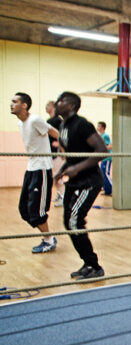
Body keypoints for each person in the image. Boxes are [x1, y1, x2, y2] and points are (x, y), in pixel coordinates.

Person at [54, 91, 108, 279]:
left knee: (74, 221)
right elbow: (73, 154)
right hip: (74, 182)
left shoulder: (82, 124)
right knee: (69, 222)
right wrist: (63, 169)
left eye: (62, 101)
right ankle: (88, 263)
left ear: (71, 106)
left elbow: (101, 150)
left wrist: (77, 168)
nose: (57, 103)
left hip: (88, 182)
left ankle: (94, 266)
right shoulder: (63, 126)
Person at [11, 92, 59, 253]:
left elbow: (54, 132)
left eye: (15, 101)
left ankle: (49, 240)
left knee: (37, 211)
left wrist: (67, 148)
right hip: (31, 168)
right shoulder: (20, 123)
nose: (11, 104)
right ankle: (48, 237)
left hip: (42, 168)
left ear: (24, 105)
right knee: (24, 209)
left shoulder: (35, 120)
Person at [46, 100, 64, 207]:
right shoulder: (49, 120)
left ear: (53, 107)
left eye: (48, 105)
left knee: (58, 176)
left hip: (57, 153)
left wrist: (59, 144)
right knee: (54, 176)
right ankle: (59, 194)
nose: (46, 107)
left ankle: (63, 197)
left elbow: (64, 134)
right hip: (50, 153)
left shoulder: (58, 120)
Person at [97, 121, 112, 195]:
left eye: (99, 126)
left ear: (102, 127)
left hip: (107, 158)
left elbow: (110, 146)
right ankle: (107, 190)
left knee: (106, 174)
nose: (97, 127)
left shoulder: (105, 135)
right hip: (103, 158)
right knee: (102, 174)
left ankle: (112, 189)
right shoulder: (100, 136)